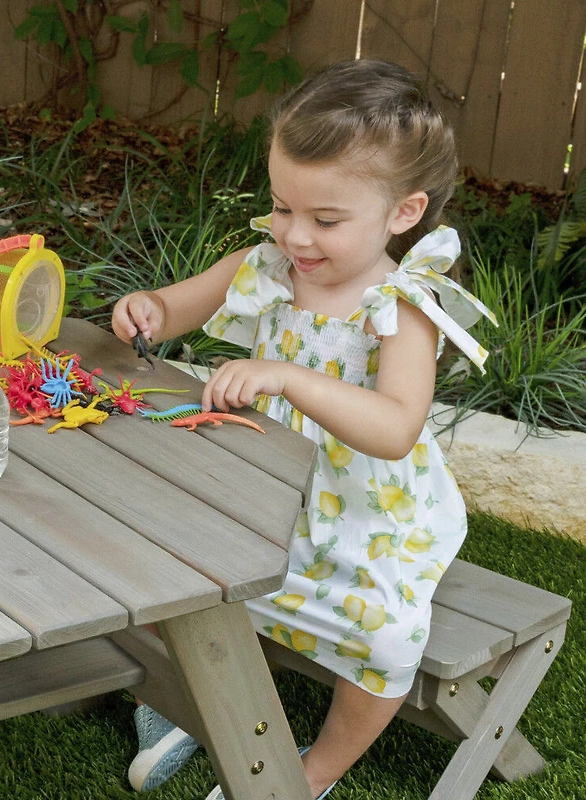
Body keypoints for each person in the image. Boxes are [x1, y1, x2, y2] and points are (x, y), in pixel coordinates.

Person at [111, 59, 497, 800]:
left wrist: (290, 378)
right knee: (167, 561)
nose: (295, 235)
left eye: (325, 220)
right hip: (265, 487)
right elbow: (176, 306)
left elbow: (395, 428)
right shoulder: (268, 265)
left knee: (387, 637)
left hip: (369, 515)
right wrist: (149, 309)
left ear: (403, 213)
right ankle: (181, 705)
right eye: (282, 206)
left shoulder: (402, 306)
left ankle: (310, 772)